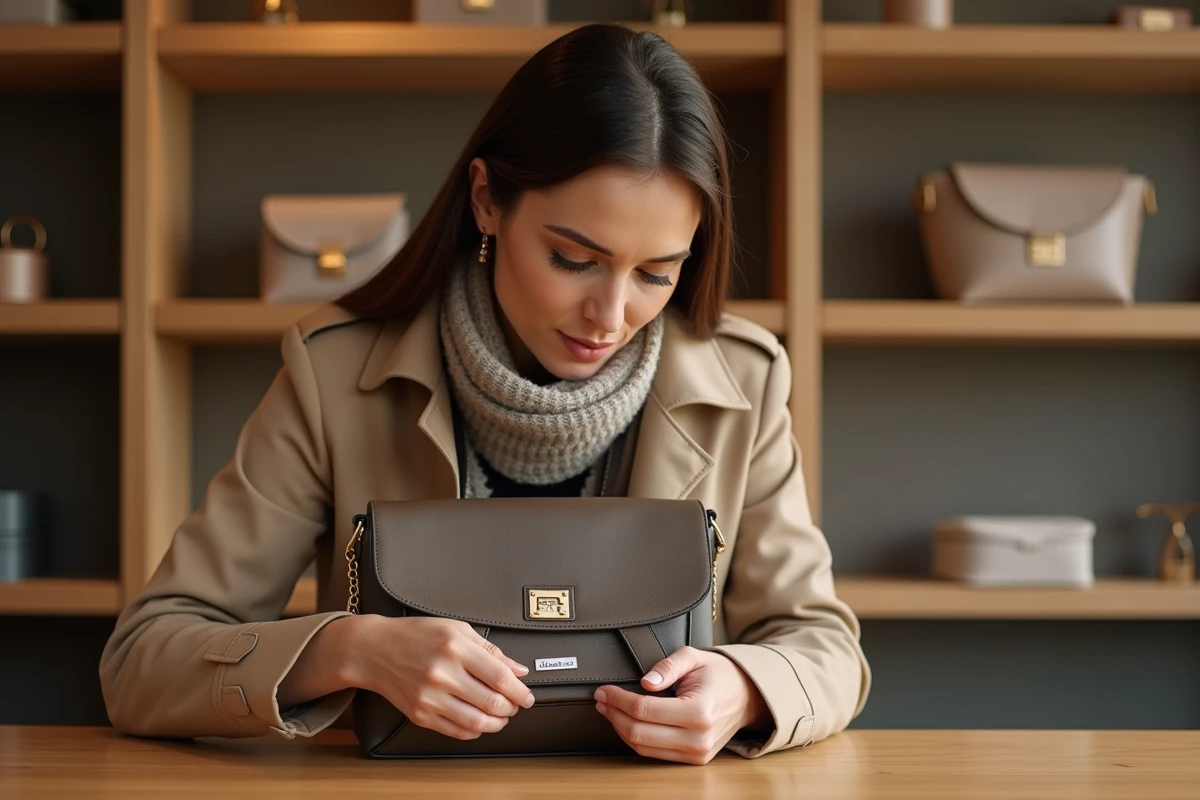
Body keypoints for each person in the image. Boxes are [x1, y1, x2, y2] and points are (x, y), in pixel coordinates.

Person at [99, 23, 869, 764]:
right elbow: (141, 660)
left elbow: (825, 648)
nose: (611, 316)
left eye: (657, 273)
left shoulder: (747, 379)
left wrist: (745, 689)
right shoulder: (332, 373)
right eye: (573, 259)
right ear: (486, 200)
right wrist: (345, 649)